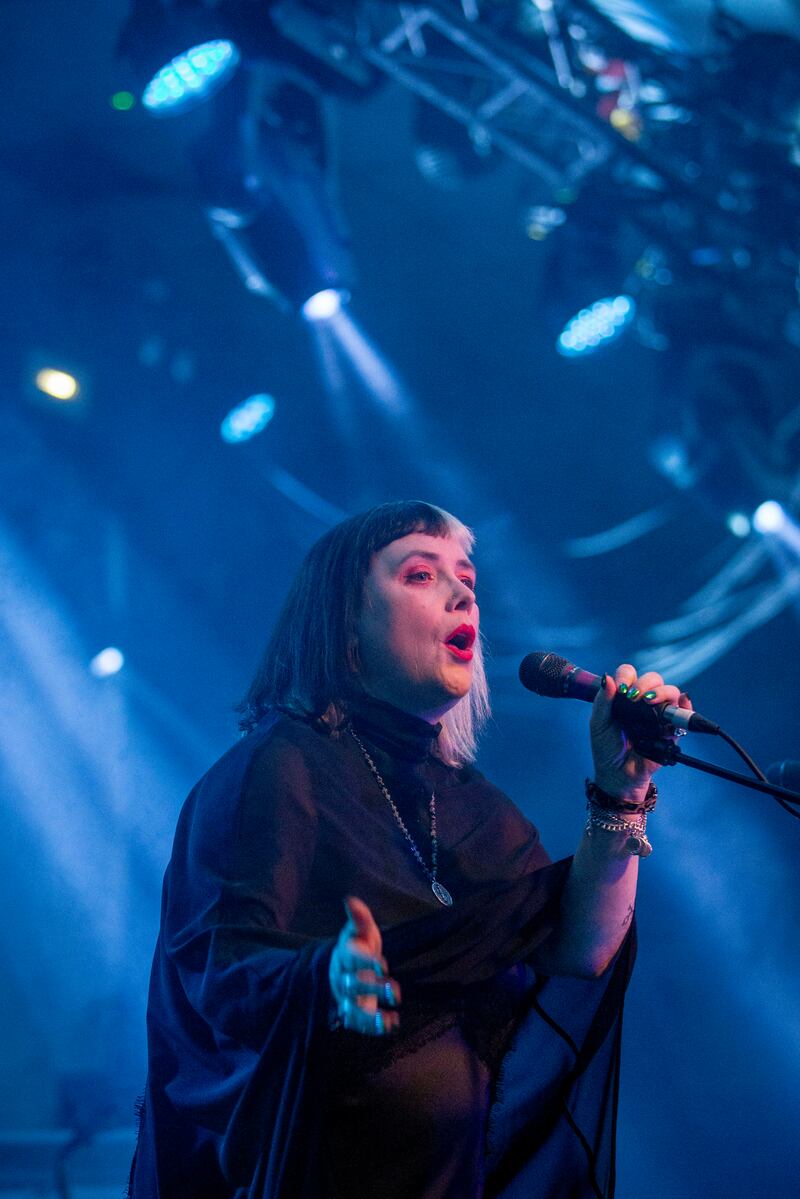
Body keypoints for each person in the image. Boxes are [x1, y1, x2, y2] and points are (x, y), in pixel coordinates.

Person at [128, 500, 690, 1199]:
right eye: (421, 574)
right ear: (347, 625)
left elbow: (580, 945)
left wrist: (623, 788)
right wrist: (323, 973)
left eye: (468, 581)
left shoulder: (472, 805)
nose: (462, 594)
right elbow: (219, 967)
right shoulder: (279, 766)